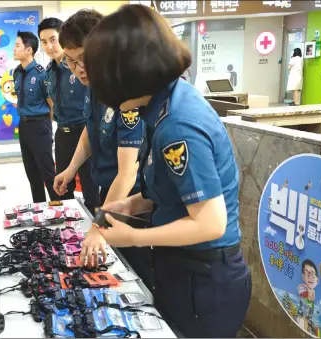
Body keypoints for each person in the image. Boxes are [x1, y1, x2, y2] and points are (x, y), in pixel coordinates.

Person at [83, 5, 252, 337]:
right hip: (182, 269)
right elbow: (170, 189)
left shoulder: (177, 124)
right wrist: (132, 205)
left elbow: (210, 222)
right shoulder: (160, 104)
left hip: (203, 281)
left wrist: (133, 237)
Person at [54, 9, 143, 270]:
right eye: (70, 61)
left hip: (133, 201)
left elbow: (128, 174)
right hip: (108, 191)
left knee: (130, 273)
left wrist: (98, 225)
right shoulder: (94, 86)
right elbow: (91, 130)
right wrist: (70, 169)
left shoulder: (127, 94)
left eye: (85, 59)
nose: (79, 70)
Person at [39, 17, 99, 214]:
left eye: (53, 40)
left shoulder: (84, 70)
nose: (49, 46)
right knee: (63, 189)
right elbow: (51, 103)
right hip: (63, 133)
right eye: (44, 42)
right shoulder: (49, 72)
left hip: (84, 129)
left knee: (92, 191)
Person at [13, 30, 60, 203]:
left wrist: (48, 126)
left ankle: (57, 207)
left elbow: (51, 104)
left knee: (47, 172)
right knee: (32, 174)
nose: (13, 49)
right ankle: (39, 212)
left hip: (40, 126)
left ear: (29, 50)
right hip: (24, 126)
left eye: (17, 46)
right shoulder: (16, 73)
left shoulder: (41, 73)